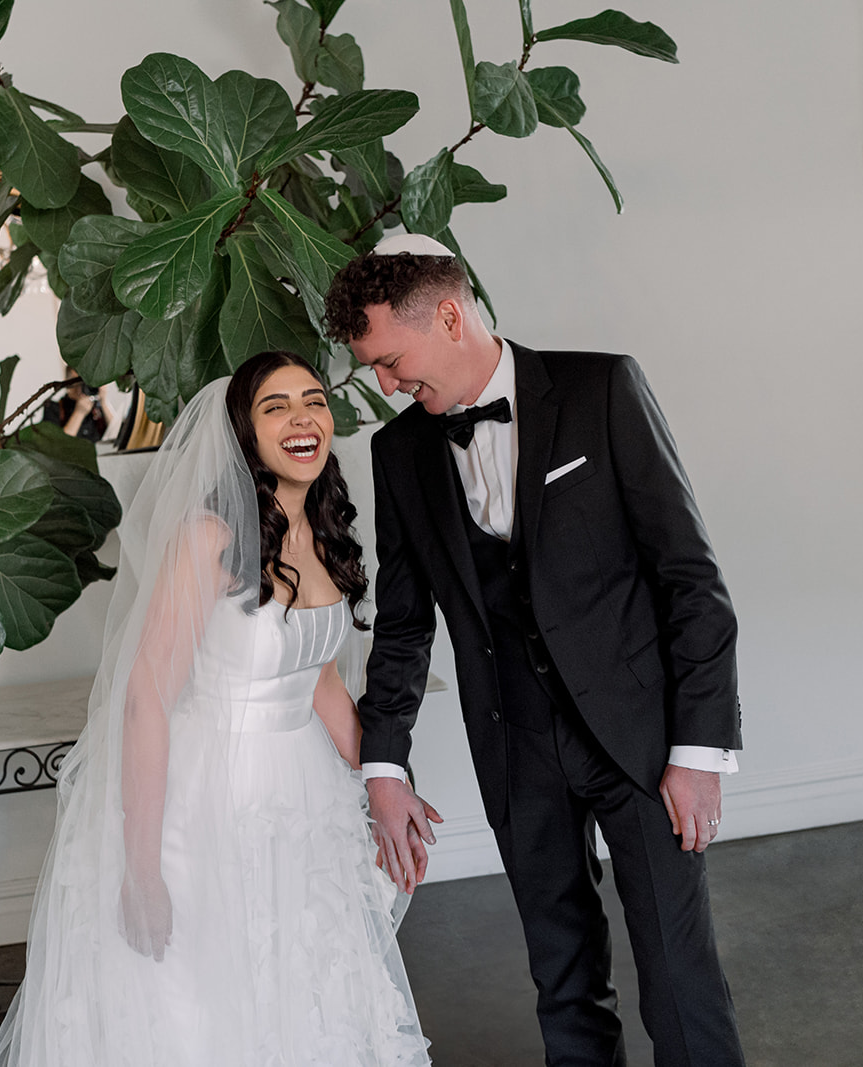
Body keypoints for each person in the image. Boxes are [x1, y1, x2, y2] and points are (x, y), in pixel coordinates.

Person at [324, 233, 745, 1066]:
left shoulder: (601, 389)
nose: (386, 386)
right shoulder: (398, 452)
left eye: (391, 362)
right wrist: (384, 766)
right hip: (515, 745)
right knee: (563, 976)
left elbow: (690, 579)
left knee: (677, 969)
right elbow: (404, 624)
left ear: (450, 317)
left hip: (638, 737)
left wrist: (699, 750)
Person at [0, 351, 431, 1067]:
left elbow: (318, 680)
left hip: (301, 790)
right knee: (206, 1004)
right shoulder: (209, 538)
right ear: (244, 433)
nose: (302, 418)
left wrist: (386, 781)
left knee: (302, 980)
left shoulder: (322, 532)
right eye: (275, 406)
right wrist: (142, 868)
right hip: (208, 797)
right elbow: (145, 698)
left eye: (313, 400)